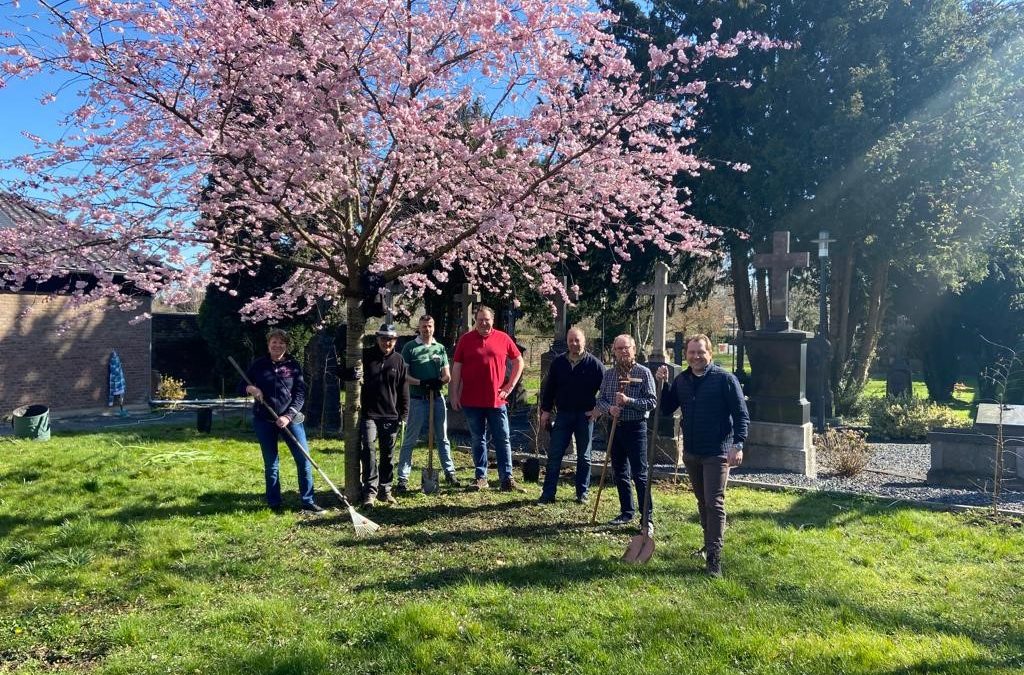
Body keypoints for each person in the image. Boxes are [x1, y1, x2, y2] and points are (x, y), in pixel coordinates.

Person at [656, 334, 749, 578]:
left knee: (714, 502)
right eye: (691, 353)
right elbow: (666, 408)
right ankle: (709, 547)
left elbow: (741, 415)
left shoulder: (725, 379)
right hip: (692, 452)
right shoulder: (683, 380)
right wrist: (663, 384)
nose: (696, 357)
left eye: (700, 352)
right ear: (686, 355)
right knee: (701, 502)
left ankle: (714, 559)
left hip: (717, 451)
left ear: (710, 354)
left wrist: (738, 445)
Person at [242, 329, 324, 513]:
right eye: (274, 342)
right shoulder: (259, 365)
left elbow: (301, 393)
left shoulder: (293, 366)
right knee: (271, 463)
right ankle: (274, 503)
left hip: (291, 420)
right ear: (268, 344)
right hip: (264, 420)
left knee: (303, 460)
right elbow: (241, 385)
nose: (277, 345)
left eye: (281, 343)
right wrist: (251, 388)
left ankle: (308, 501)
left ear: (286, 346)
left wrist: (288, 416)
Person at [450, 305, 525, 492]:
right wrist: (454, 393)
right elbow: (457, 368)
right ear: (476, 320)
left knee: (503, 439)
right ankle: (480, 476)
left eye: (487, 319)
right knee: (478, 439)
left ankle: (507, 478)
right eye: (480, 319)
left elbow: (519, 362)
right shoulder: (466, 340)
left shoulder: (503, 338)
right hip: (471, 400)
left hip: (496, 401)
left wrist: (509, 387)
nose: (484, 323)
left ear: (493, 321)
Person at [594, 334, 657, 532]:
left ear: (634, 349)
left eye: (626, 348)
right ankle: (626, 511)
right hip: (615, 428)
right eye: (619, 348)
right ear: (614, 351)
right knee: (620, 471)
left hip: (635, 428)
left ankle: (646, 518)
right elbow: (601, 400)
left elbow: (651, 402)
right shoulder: (609, 374)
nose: (623, 351)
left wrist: (628, 401)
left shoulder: (644, 373)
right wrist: (609, 409)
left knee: (640, 474)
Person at [538, 327, 605, 504]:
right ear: (567, 342)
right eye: (571, 340)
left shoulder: (595, 365)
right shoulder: (559, 362)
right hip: (563, 415)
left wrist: (598, 409)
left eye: (577, 340)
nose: (574, 344)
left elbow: (606, 391)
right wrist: (545, 411)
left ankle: (582, 493)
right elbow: (549, 389)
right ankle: (548, 494)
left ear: (584, 341)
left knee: (584, 457)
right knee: (555, 454)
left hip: (585, 417)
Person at [396, 314, 461, 490]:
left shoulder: (439, 348)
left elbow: (447, 374)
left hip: (437, 398)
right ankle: (403, 478)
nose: (427, 329)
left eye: (430, 326)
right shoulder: (410, 348)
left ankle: (450, 473)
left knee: (442, 437)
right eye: (424, 326)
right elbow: (404, 375)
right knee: (410, 439)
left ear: (434, 327)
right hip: (417, 400)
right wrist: (421, 383)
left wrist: (440, 381)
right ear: (419, 327)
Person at [358, 323, 410, 507]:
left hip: (391, 415)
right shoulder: (365, 355)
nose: (386, 342)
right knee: (369, 451)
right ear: (377, 339)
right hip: (369, 413)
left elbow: (403, 389)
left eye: (390, 339)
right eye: (383, 339)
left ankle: (385, 489)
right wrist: (350, 373)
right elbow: (346, 374)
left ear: (395, 341)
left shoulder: (399, 360)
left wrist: (404, 415)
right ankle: (369, 491)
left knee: (388, 454)